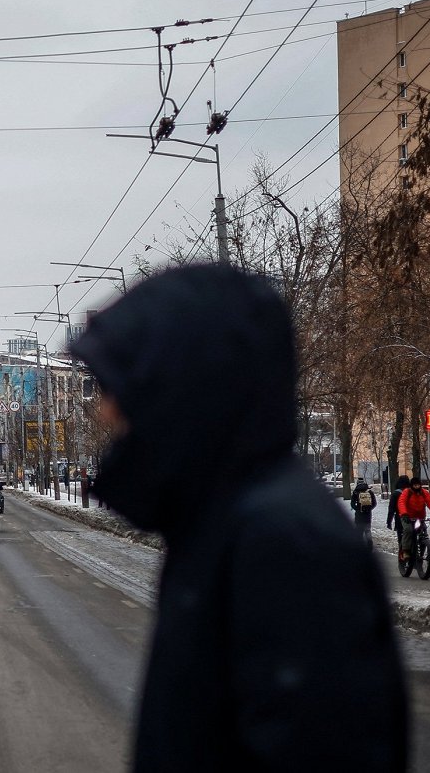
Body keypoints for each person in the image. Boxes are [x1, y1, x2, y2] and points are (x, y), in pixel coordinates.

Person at [70, 264, 407, 771]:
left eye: (119, 390)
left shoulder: (285, 543)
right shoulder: (220, 520)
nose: (105, 412)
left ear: (184, 389)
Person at [397, 476, 430, 564]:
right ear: (411, 486)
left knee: (423, 531)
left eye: (418, 485)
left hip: (419, 518)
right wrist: (404, 514)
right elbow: (401, 502)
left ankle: (421, 551)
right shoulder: (407, 492)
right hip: (407, 517)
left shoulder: (424, 493)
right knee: (408, 530)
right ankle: (405, 551)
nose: (417, 487)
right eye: (415, 485)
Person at [386, 474, 411, 555]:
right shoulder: (412, 492)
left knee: (401, 537)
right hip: (413, 517)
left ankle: (403, 555)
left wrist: (389, 522)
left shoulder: (396, 494)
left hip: (400, 518)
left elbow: (391, 509)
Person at [350, 477, 377, 543]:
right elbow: (374, 503)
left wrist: (357, 509)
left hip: (359, 514)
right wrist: (369, 509)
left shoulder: (356, 492)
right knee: (367, 530)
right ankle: (369, 543)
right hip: (368, 514)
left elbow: (352, 503)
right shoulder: (369, 492)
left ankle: (360, 544)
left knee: (359, 530)